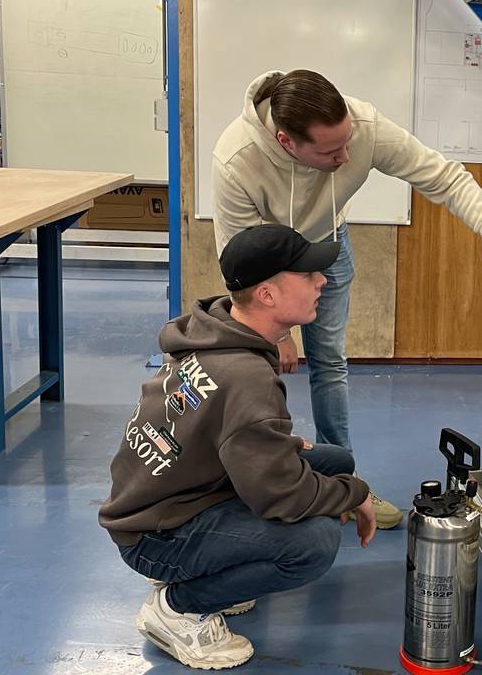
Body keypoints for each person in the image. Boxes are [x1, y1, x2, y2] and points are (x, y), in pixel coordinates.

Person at [211, 69, 482, 528]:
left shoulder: (363, 126)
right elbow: (239, 260)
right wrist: (280, 331)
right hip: (267, 267)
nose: (347, 157)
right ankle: (268, 484)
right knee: (258, 368)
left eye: (348, 143)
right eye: (331, 152)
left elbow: (444, 177)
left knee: (329, 361)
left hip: (328, 242)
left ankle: (345, 487)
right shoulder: (237, 160)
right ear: (286, 142)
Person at [99, 224, 378, 670]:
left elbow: (208, 420)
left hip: (169, 494)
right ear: (267, 295)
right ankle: (179, 607)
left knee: (333, 460)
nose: (321, 280)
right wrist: (356, 493)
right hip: (154, 532)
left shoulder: (211, 330)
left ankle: (211, 571)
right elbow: (281, 495)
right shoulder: (246, 375)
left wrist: (269, 442)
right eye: (307, 274)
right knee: (315, 542)